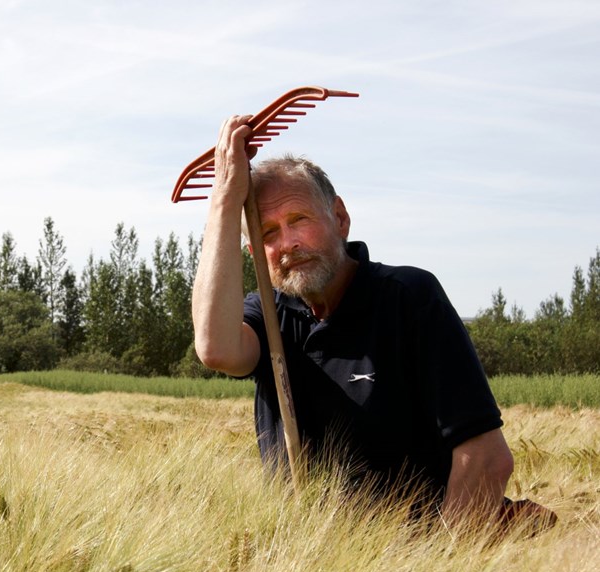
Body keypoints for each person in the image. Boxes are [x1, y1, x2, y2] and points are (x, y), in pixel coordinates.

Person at [192, 114, 551, 528]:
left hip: (412, 563)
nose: (287, 243)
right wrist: (223, 200)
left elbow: (486, 456)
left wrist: (441, 570)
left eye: (300, 221)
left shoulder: (407, 298)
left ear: (340, 218)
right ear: (256, 253)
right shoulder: (268, 317)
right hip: (304, 570)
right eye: (269, 232)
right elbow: (215, 348)